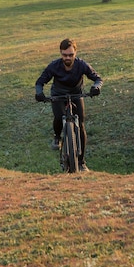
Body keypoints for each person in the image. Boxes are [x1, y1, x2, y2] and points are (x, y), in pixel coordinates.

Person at [35, 38, 103, 171]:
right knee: (59, 117)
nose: (68, 58)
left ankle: (82, 163)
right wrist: (39, 93)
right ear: (60, 53)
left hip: (76, 94)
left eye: (71, 55)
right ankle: (57, 137)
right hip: (58, 94)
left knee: (81, 125)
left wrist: (96, 87)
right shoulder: (54, 66)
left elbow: (97, 78)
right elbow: (40, 82)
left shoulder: (82, 65)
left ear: (75, 53)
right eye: (65, 55)